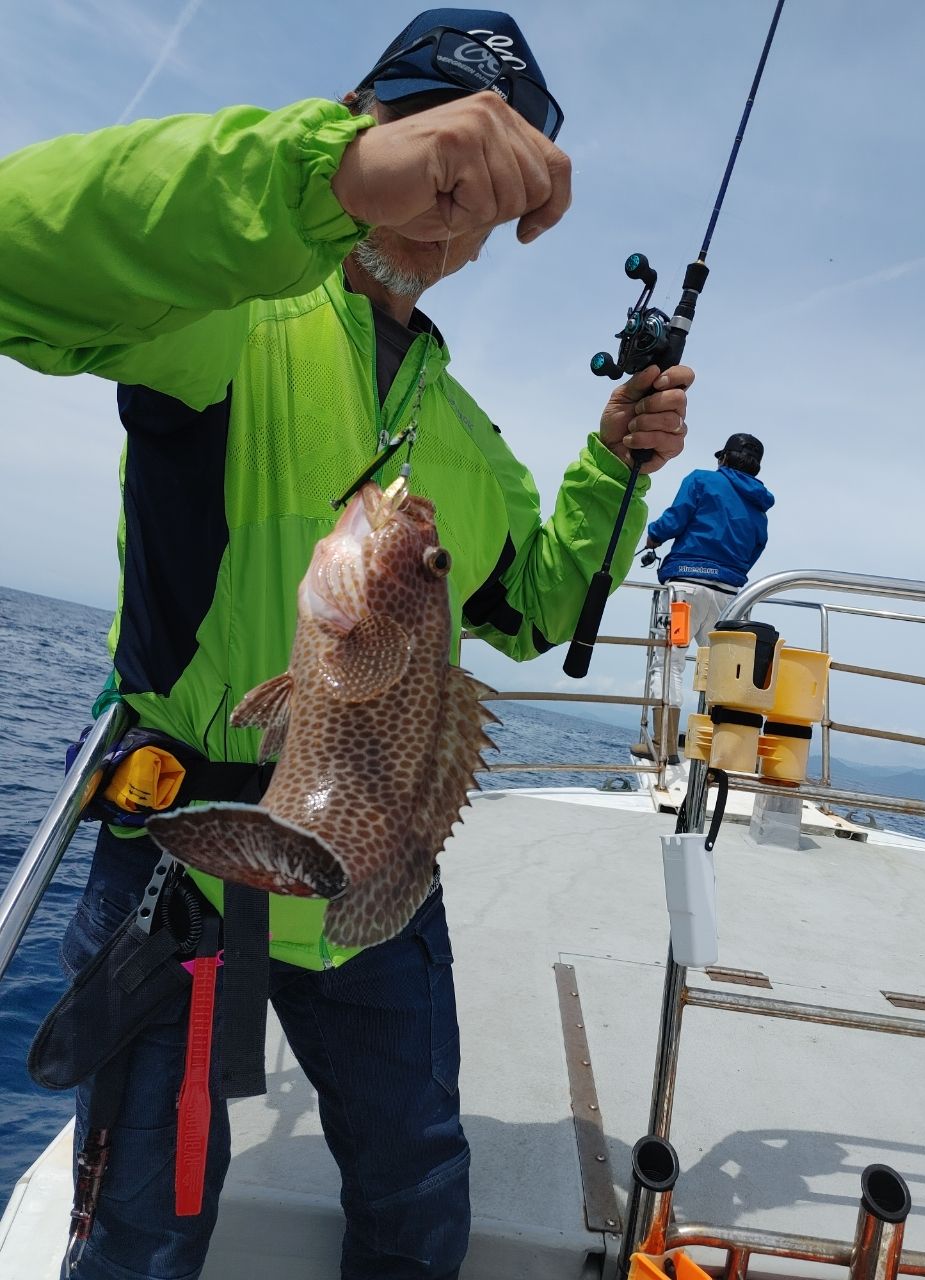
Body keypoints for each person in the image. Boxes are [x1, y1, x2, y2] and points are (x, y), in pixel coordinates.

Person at [0, 10, 694, 1279]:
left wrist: (612, 462)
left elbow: (537, 605)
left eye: (484, 187)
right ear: (362, 118)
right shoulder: (224, 314)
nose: (450, 204)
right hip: (192, 867)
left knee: (420, 1176)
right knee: (146, 1229)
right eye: (437, 144)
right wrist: (310, 177)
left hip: (381, 898)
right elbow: (14, 254)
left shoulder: (468, 443)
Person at [636, 432, 773, 764]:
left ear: (723, 458)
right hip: (728, 601)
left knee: (670, 663)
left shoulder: (701, 481)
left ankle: (664, 745)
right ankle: (720, 752)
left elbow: (675, 518)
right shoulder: (759, 509)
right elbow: (756, 548)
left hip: (685, 592)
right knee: (720, 674)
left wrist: (653, 537)